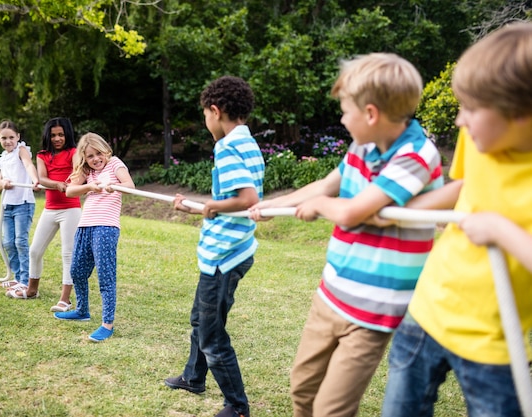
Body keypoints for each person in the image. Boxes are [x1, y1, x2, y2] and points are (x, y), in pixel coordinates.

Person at [249, 53, 443, 417]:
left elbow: (353, 211)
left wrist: (321, 205)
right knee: (302, 391)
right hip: (331, 295)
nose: (341, 118)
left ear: (370, 114)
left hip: (372, 313)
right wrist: (275, 204)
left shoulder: (416, 155)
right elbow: (327, 184)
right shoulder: (362, 147)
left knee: (331, 409)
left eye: (344, 111)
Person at [381, 23, 532, 417]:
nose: (459, 121)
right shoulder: (482, 137)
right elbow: (463, 185)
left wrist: (499, 228)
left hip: (494, 343)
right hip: (427, 310)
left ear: (521, 115)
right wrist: (400, 214)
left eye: (471, 109)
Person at [164, 75, 264, 417]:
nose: (206, 122)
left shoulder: (228, 147)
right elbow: (233, 198)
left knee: (211, 334)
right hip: (230, 247)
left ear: (215, 110)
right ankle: (194, 376)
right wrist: (195, 205)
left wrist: (215, 207)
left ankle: (237, 407)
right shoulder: (247, 142)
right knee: (200, 318)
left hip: (226, 255)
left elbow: (245, 198)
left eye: (205, 115)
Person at [52, 132, 135, 343]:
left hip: (106, 227)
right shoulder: (88, 171)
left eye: (98, 154)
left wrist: (114, 186)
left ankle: (107, 324)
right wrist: (89, 186)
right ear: (84, 158)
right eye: (90, 156)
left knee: (105, 276)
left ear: (106, 150)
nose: (95, 159)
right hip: (85, 225)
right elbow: (71, 191)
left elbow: (130, 186)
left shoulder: (115, 163)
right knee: (77, 270)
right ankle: (82, 310)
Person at [6, 118, 82, 309]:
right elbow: (42, 178)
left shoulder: (74, 153)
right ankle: (32, 290)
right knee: (34, 250)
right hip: (50, 209)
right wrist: (56, 184)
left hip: (71, 209)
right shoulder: (42, 155)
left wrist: (71, 183)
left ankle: (65, 298)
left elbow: (76, 173)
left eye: (61, 135)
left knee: (67, 254)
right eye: (53, 135)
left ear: (67, 135)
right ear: (48, 136)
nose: (57, 138)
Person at [0, 120, 40, 293]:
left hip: (23, 204)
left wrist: (35, 180)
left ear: (18, 137)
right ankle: (17, 277)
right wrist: (3, 183)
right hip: (7, 206)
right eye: (4, 138)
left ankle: (25, 279)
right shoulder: (3, 158)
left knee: (20, 242)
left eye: (11, 137)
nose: (8, 141)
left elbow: (29, 165)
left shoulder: (21, 150)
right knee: (8, 242)